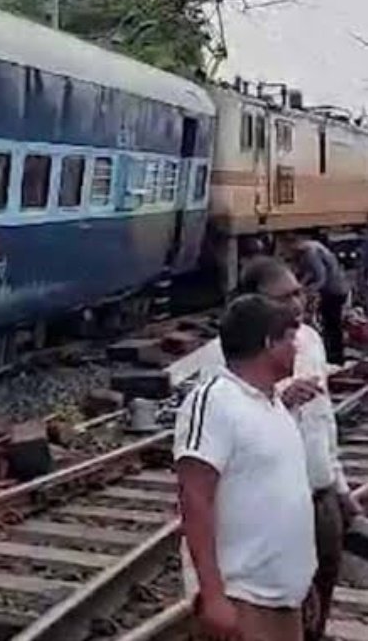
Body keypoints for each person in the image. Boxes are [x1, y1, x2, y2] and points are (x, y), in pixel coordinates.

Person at [194, 256, 361, 641]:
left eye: (298, 293)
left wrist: (339, 488)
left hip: (319, 500)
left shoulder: (310, 341)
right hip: (268, 517)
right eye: (284, 297)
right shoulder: (223, 362)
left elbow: (323, 424)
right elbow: (204, 481)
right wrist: (280, 400)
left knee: (315, 609)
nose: (297, 304)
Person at [175, 294, 316, 641]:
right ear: (268, 342)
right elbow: (194, 498)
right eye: (289, 338)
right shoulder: (215, 400)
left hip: (283, 599)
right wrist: (213, 596)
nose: (296, 348)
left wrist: (301, 580)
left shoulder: (273, 405)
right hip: (242, 598)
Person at [286, 235, 349, 365]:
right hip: (336, 289)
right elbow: (309, 273)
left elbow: (320, 278)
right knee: (331, 325)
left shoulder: (311, 252)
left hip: (333, 291)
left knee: (332, 325)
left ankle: (335, 358)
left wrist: (304, 290)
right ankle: (334, 355)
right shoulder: (311, 249)